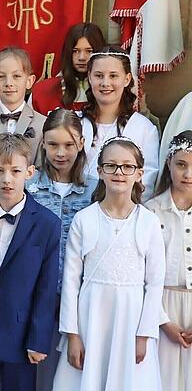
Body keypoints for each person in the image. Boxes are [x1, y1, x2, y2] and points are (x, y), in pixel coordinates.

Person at [53, 137, 164, 391]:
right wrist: (72, 334)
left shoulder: (148, 222)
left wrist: (144, 334)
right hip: (91, 317)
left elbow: (155, 283)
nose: (119, 172)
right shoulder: (84, 219)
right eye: (111, 166)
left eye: (127, 167)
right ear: (100, 171)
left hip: (131, 319)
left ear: (139, 174)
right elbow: (71, 281)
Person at [0, 133, 61, 391]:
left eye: (15, 171)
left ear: (30, 172)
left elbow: (46, 287)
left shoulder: (47, 224)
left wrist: (38, 341)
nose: (7, 179)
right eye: (0, 170)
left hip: (21, 335)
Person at [24, 109, 95, 391]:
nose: (60, 152)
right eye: (53, 144)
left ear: (81, 143)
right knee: (38, 372)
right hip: (36, 293)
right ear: (42, 143)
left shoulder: (95, 190)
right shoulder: (29, 187)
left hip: (78, 295)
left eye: (68, 144)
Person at [145, 131, 192, 391]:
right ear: (169, 164)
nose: (188, 174)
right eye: (181, 164)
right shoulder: (151, 212)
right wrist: (163, 321)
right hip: (161, 308)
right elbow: (144, 273)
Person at [80, 46, 160, 198]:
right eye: (98, 75)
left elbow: (146, 184)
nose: (105, 83)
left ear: (127, 79)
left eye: (113, 76)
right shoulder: (76, 123)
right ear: (90, 78)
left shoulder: (144, 128)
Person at [0, 47, 46, 163]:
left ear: (30, 81)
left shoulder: (42, 123)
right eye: (1, 77)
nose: (9, 83)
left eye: (16, 76)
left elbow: (40, 166)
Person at [30, 23, 106, 115]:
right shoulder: (42, 91)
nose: (81, 57)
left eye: (89, 51)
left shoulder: (110, 91)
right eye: (76, 51)